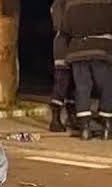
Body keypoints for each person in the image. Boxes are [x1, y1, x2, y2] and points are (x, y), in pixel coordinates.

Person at [62, 0, 112, 140]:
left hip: (78, 49)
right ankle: (108, 127)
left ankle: (84, 129)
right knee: (107, 87)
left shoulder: (71, 2)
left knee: (82, 88)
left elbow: (65, 27)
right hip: (103, 49)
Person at [49, 0, 77, 133]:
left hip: (73, 46)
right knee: (62, 83)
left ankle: (72, 117)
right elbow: (60, 25)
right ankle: (55, 120)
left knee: (73, 86)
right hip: (64, 47)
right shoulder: (59, 4)